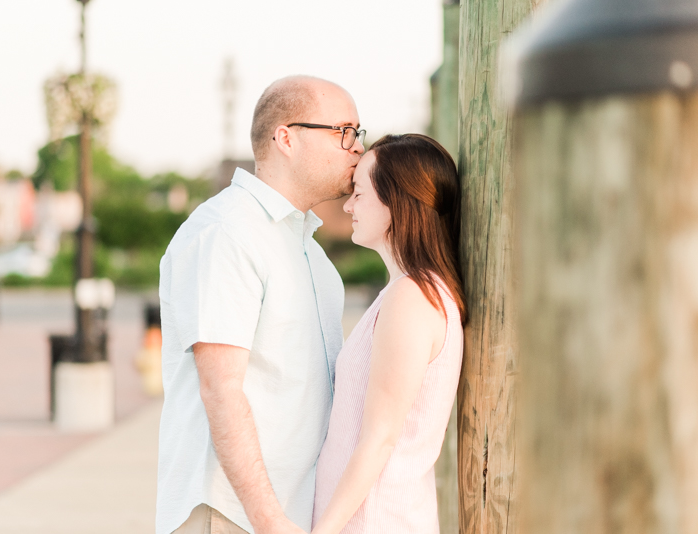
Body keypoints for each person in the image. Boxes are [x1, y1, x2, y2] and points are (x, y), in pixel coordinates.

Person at [156, 76, 365, 534]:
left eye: (358, 133)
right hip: (233, 515)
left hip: (291, 513)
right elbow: (221, 389)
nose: (356, 148)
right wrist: (269, 520)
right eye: (343, 132)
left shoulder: (311, 251)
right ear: (286, 137)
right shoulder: (227, 231)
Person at [311, 134, 467, 534]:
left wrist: (322, 530)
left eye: (359, 193)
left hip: (374, 521)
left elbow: (380, 437)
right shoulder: (412, 292)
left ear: (395, 201)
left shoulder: (412, 297)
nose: (348, 205)